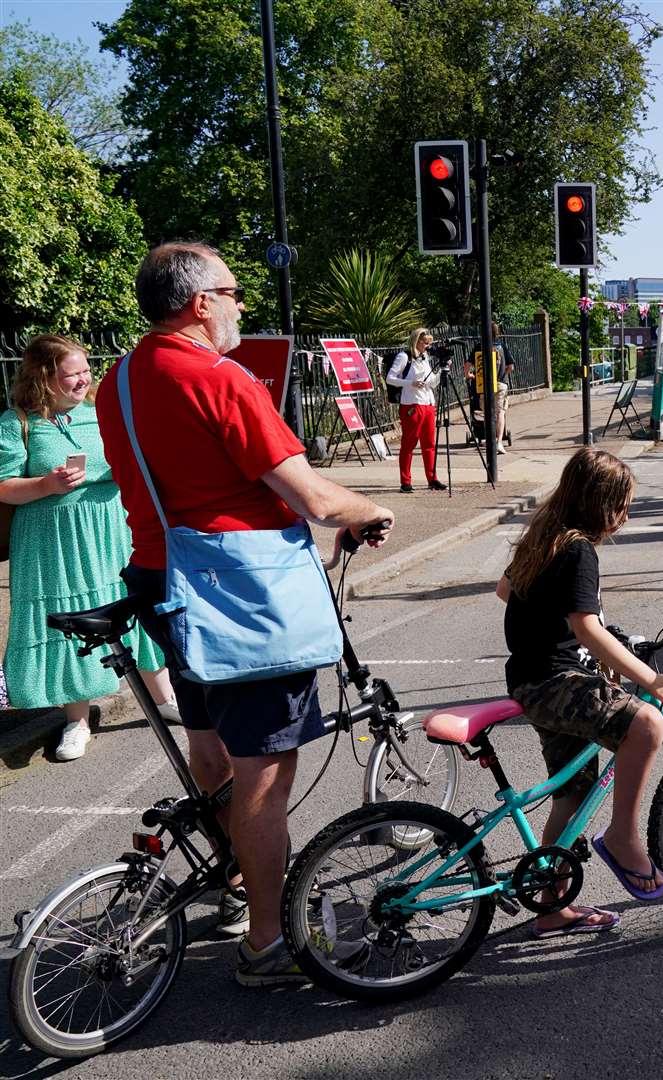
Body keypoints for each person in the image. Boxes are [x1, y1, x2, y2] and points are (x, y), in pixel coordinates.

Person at [97, 242, 394, 985]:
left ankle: (236, 884)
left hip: (163, 580)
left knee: (210, 748)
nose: (239, 306)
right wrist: (371, 508)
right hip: (239, 592)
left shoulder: (120, 380)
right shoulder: (220, 377)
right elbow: (315, 499)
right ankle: (271, 941)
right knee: (263, 774)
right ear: (199, 303)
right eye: (231, 293)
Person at [496, 447, 663, 923]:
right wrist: (652, 678)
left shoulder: (542, 537)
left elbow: (506, 591)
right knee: (647, 723)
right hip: (554, 680)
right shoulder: (579, 549)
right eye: (622, 505)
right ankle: (624, 837)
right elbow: (586, 626)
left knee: (574, 795)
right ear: (601, 505)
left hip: (531, 679)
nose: (625, 515)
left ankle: (550, 907)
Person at [0, 335, 179, 763]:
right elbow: (3, 487)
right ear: (44, 378)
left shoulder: (101, 412)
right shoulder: (17, 421)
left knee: (131, 604)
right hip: (50, 541)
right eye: (71, 373)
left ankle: (165, 696)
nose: (83, 379)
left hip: (111, 529)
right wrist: (46, 484)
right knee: (67, 621)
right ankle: (76, 720)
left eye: (85, 370)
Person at [386, 327, 445, 492]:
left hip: (428, 404)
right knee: (409, 444)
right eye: (425, 342)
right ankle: (405, 481)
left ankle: (432, 479)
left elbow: (432, 382)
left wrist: (442, 370)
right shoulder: (404, 357)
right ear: (416, 341)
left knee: (429, 444)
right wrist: (410, 383)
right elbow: (390, 378)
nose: (427, 346)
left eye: (429, 343)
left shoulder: (424, 358)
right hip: (412, 404)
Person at [469, 324, 512, 450]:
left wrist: (470, 375)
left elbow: (467, 364)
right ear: (497, 333)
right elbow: (511, 366)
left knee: (488, 413)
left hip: (484, 384)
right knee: (500, 413)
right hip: (500, 383)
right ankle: (499, 442)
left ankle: (491, 440)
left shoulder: (479, 347)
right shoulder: (502, 346)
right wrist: (503, 373)